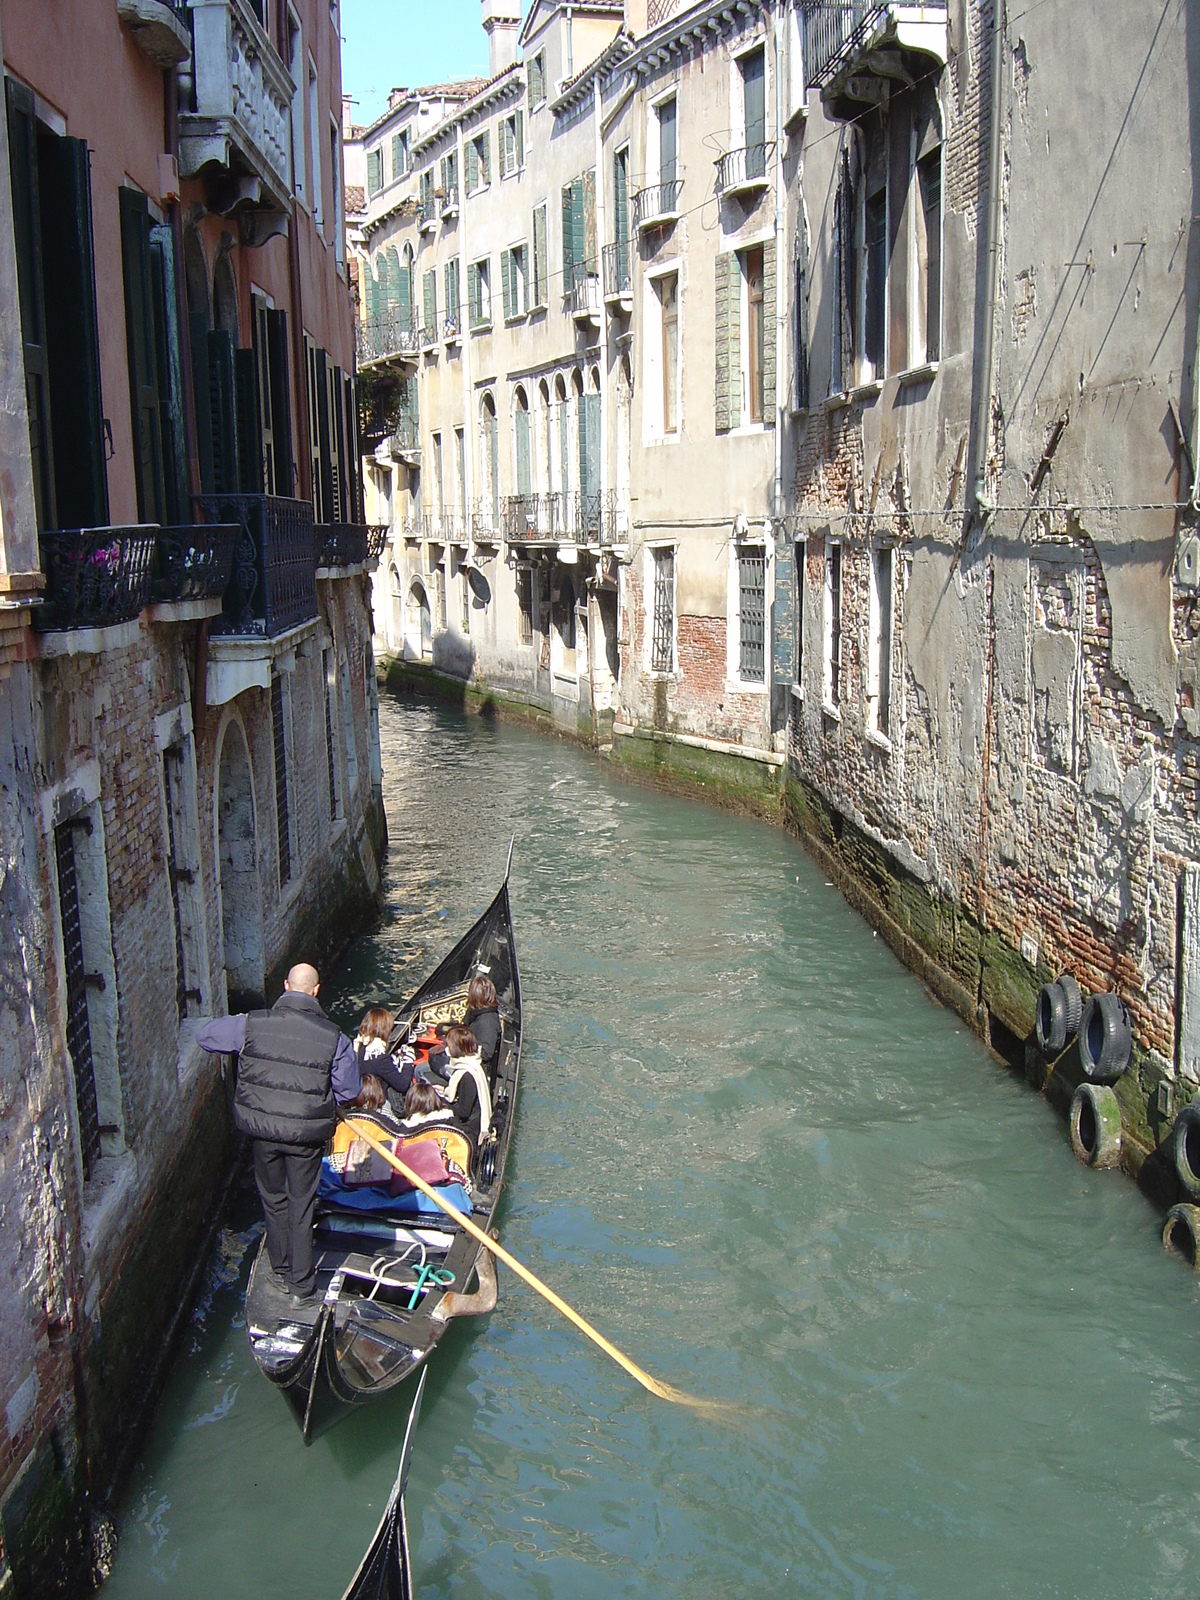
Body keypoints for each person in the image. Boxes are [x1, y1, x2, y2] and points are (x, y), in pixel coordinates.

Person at [197, 963, 361, 1310]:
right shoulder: (335, 1037)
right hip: (305, 1136)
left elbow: (206, 1036)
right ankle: (302, 1287)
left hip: (263, 1133)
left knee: (274, 1200)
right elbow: (348, 1092)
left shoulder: (252, 1024)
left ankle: (280, 1269)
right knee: (301, 1206)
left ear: (286, 986)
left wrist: (247, 1032)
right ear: (315, 991)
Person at [439, 1025, 492, 1145]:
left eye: (448, 1046)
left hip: (470, 1130)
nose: (446, 1049)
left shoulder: (467, 1075)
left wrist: (440, 1101)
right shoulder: (474, 1064)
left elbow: (463, 1112)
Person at [463, 974, 502, 1074]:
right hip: (467, 1058)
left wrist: (459, 1046)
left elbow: (486, 1053)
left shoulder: (487, 1021)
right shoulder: (476, 1012)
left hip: (474, 1068)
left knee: (423, 1068)